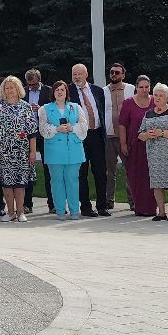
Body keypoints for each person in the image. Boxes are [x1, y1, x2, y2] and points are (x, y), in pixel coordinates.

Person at [0, 76, 40, 223]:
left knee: (20, 183)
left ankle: (21, 211)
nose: (10, 90)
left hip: (21, 152)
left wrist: (32, 151)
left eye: (12, 87)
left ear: (18, 89)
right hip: (1, 152)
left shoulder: (25, 107)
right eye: (7, 88)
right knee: (6, 184)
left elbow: (32, 131)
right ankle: (10, 212)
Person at [39, 80, 87, 220]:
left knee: (73, 180)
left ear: (66, 92)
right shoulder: (45, 109)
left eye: (62, 90)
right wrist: (56, 129)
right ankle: (60, 210)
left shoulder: (76, 107)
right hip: (54, 151)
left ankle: (74, 211)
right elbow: (42, 128)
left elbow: (84, 126)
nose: (60, 92)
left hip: (74, 150)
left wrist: (72, 128)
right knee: (57, 181)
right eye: (57, 90)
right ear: (53, 93)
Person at [139, 83, 168, 221]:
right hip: (154, 154)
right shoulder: (148, 114)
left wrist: (162, 132)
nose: (158, 98)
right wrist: (147, 135)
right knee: (157, 183)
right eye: (156, 95)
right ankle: (161, 212)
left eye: (161, 95)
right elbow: (140, 134)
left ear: (167, 97)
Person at [70, 63, 112, 217]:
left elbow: (100, 111)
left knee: (100, 172)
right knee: (81, 173)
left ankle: (102, 206)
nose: (76, 77)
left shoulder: (97, 91)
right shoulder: (69, 91)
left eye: (79, 74)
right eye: (74, 74)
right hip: (79, 137)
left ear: (86, 75)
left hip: (97, 135)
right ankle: (86, 207)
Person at [117, 75, 158, 216]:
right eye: (141, 87)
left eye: (147, 87)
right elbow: (122, 124)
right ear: (136, 87)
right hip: (135, 146)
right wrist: (123, 143)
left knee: (151, 177)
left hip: (154, 146)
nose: (144, 90)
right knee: (136, 177)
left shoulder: (155, 100)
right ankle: (139, 208)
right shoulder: (128, 103)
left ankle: (152, 208)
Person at [22, 68, 50, 214]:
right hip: (28, 135)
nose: (32, 87)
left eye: (34, 84)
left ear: (39, 80)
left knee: (48, 168)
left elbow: (54, 110)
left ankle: (52, 204)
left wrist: (41, 109)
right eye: (29, 84)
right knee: (28, 168)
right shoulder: (23, 92)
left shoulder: (49, 91)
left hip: (45, 133)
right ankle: (27, 203)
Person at [102, 62, 128, 213]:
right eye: (112, 72)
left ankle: (133, 201)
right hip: (109, 137)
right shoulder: (103, 91)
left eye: (117, 72)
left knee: (129, 170)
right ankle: (108, 201)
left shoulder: (131, 89)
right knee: (109, 171)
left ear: (123, 75)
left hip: (126, 136)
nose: (114, 75)